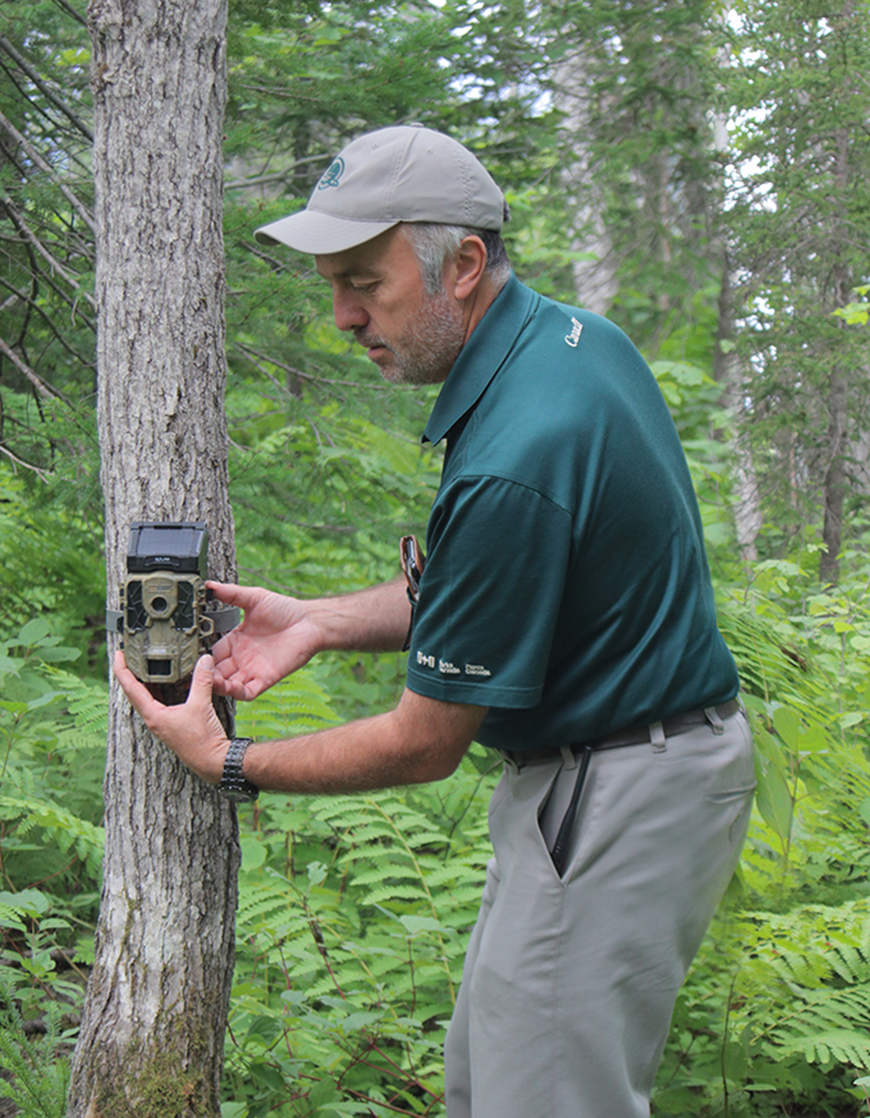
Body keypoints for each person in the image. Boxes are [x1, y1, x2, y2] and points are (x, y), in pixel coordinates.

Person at [115, 124, 756, 1117]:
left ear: (462, 265)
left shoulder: (518, 450)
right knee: (488, 1086)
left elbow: (422, 744)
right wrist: (319, 618)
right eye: (334, 283)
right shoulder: (569, 344)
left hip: (617, 792)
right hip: (627, 773)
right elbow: (515, 582)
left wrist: (228, 762)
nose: (340, 316)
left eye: (365, 282)